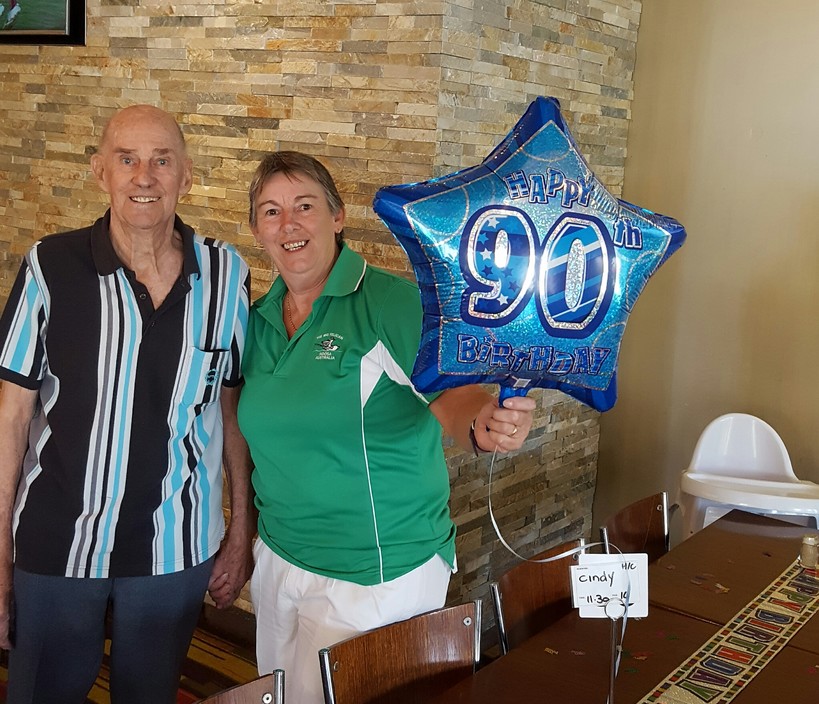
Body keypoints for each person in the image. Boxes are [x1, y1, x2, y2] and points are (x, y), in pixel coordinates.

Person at [238, 151, 536, 704]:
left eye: (305, 206)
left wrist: (485, 424)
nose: (289, 224)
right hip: (280, 556)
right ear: (257, 230)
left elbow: (454, 395)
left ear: (337, 216)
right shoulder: (257, 319)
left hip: (373, 574)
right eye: (271, 211)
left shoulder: (391, 303)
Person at [0, 105, 254, 704]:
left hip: (176, 547)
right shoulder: (49, 267)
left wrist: (242, 528)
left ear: (186, 176)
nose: (145, 176)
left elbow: (232, 412)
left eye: (162, 160)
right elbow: (10, 419)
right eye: (127, 159)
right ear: (100, 173)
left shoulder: (227, 275)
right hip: (55, 544)